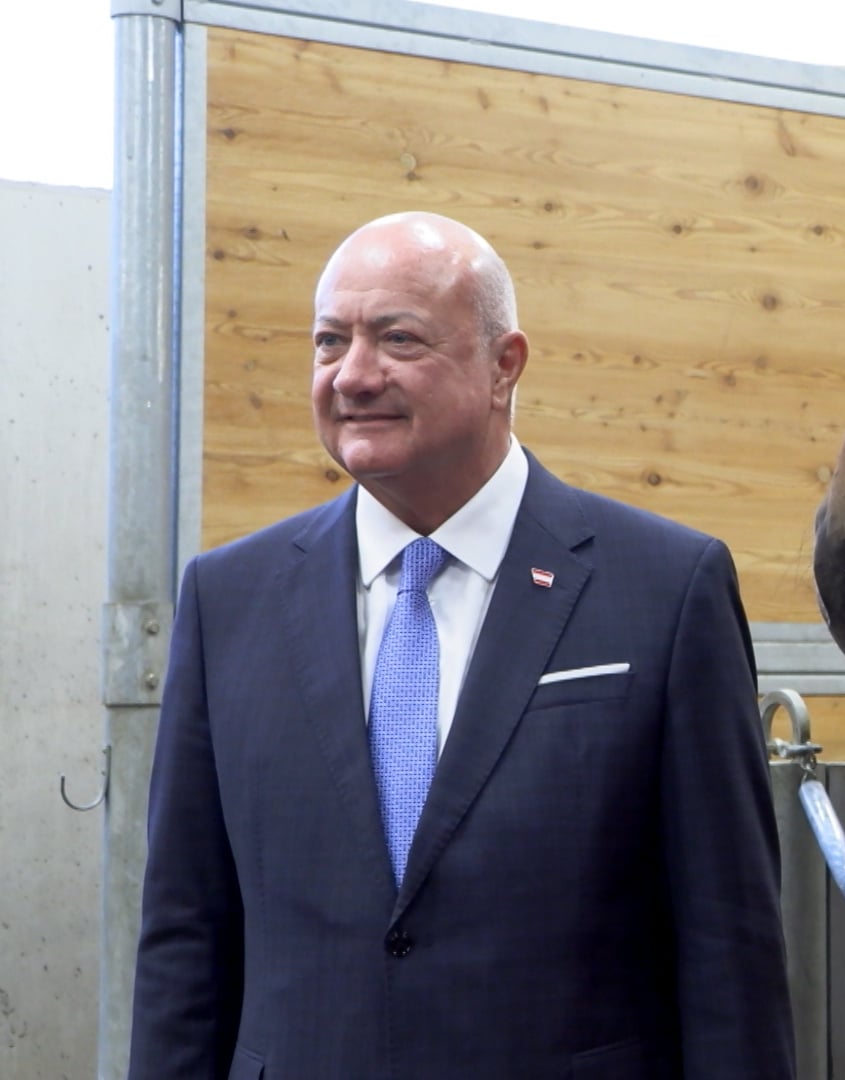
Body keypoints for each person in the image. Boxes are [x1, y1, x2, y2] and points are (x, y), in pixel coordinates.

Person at [129, 212, 795, 1079]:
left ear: (503, 366)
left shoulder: (666, 590)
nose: (354, 375)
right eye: (330, 342)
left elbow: (729, 951)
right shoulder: (229, 601)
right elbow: (186, 936)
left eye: (397, 339)